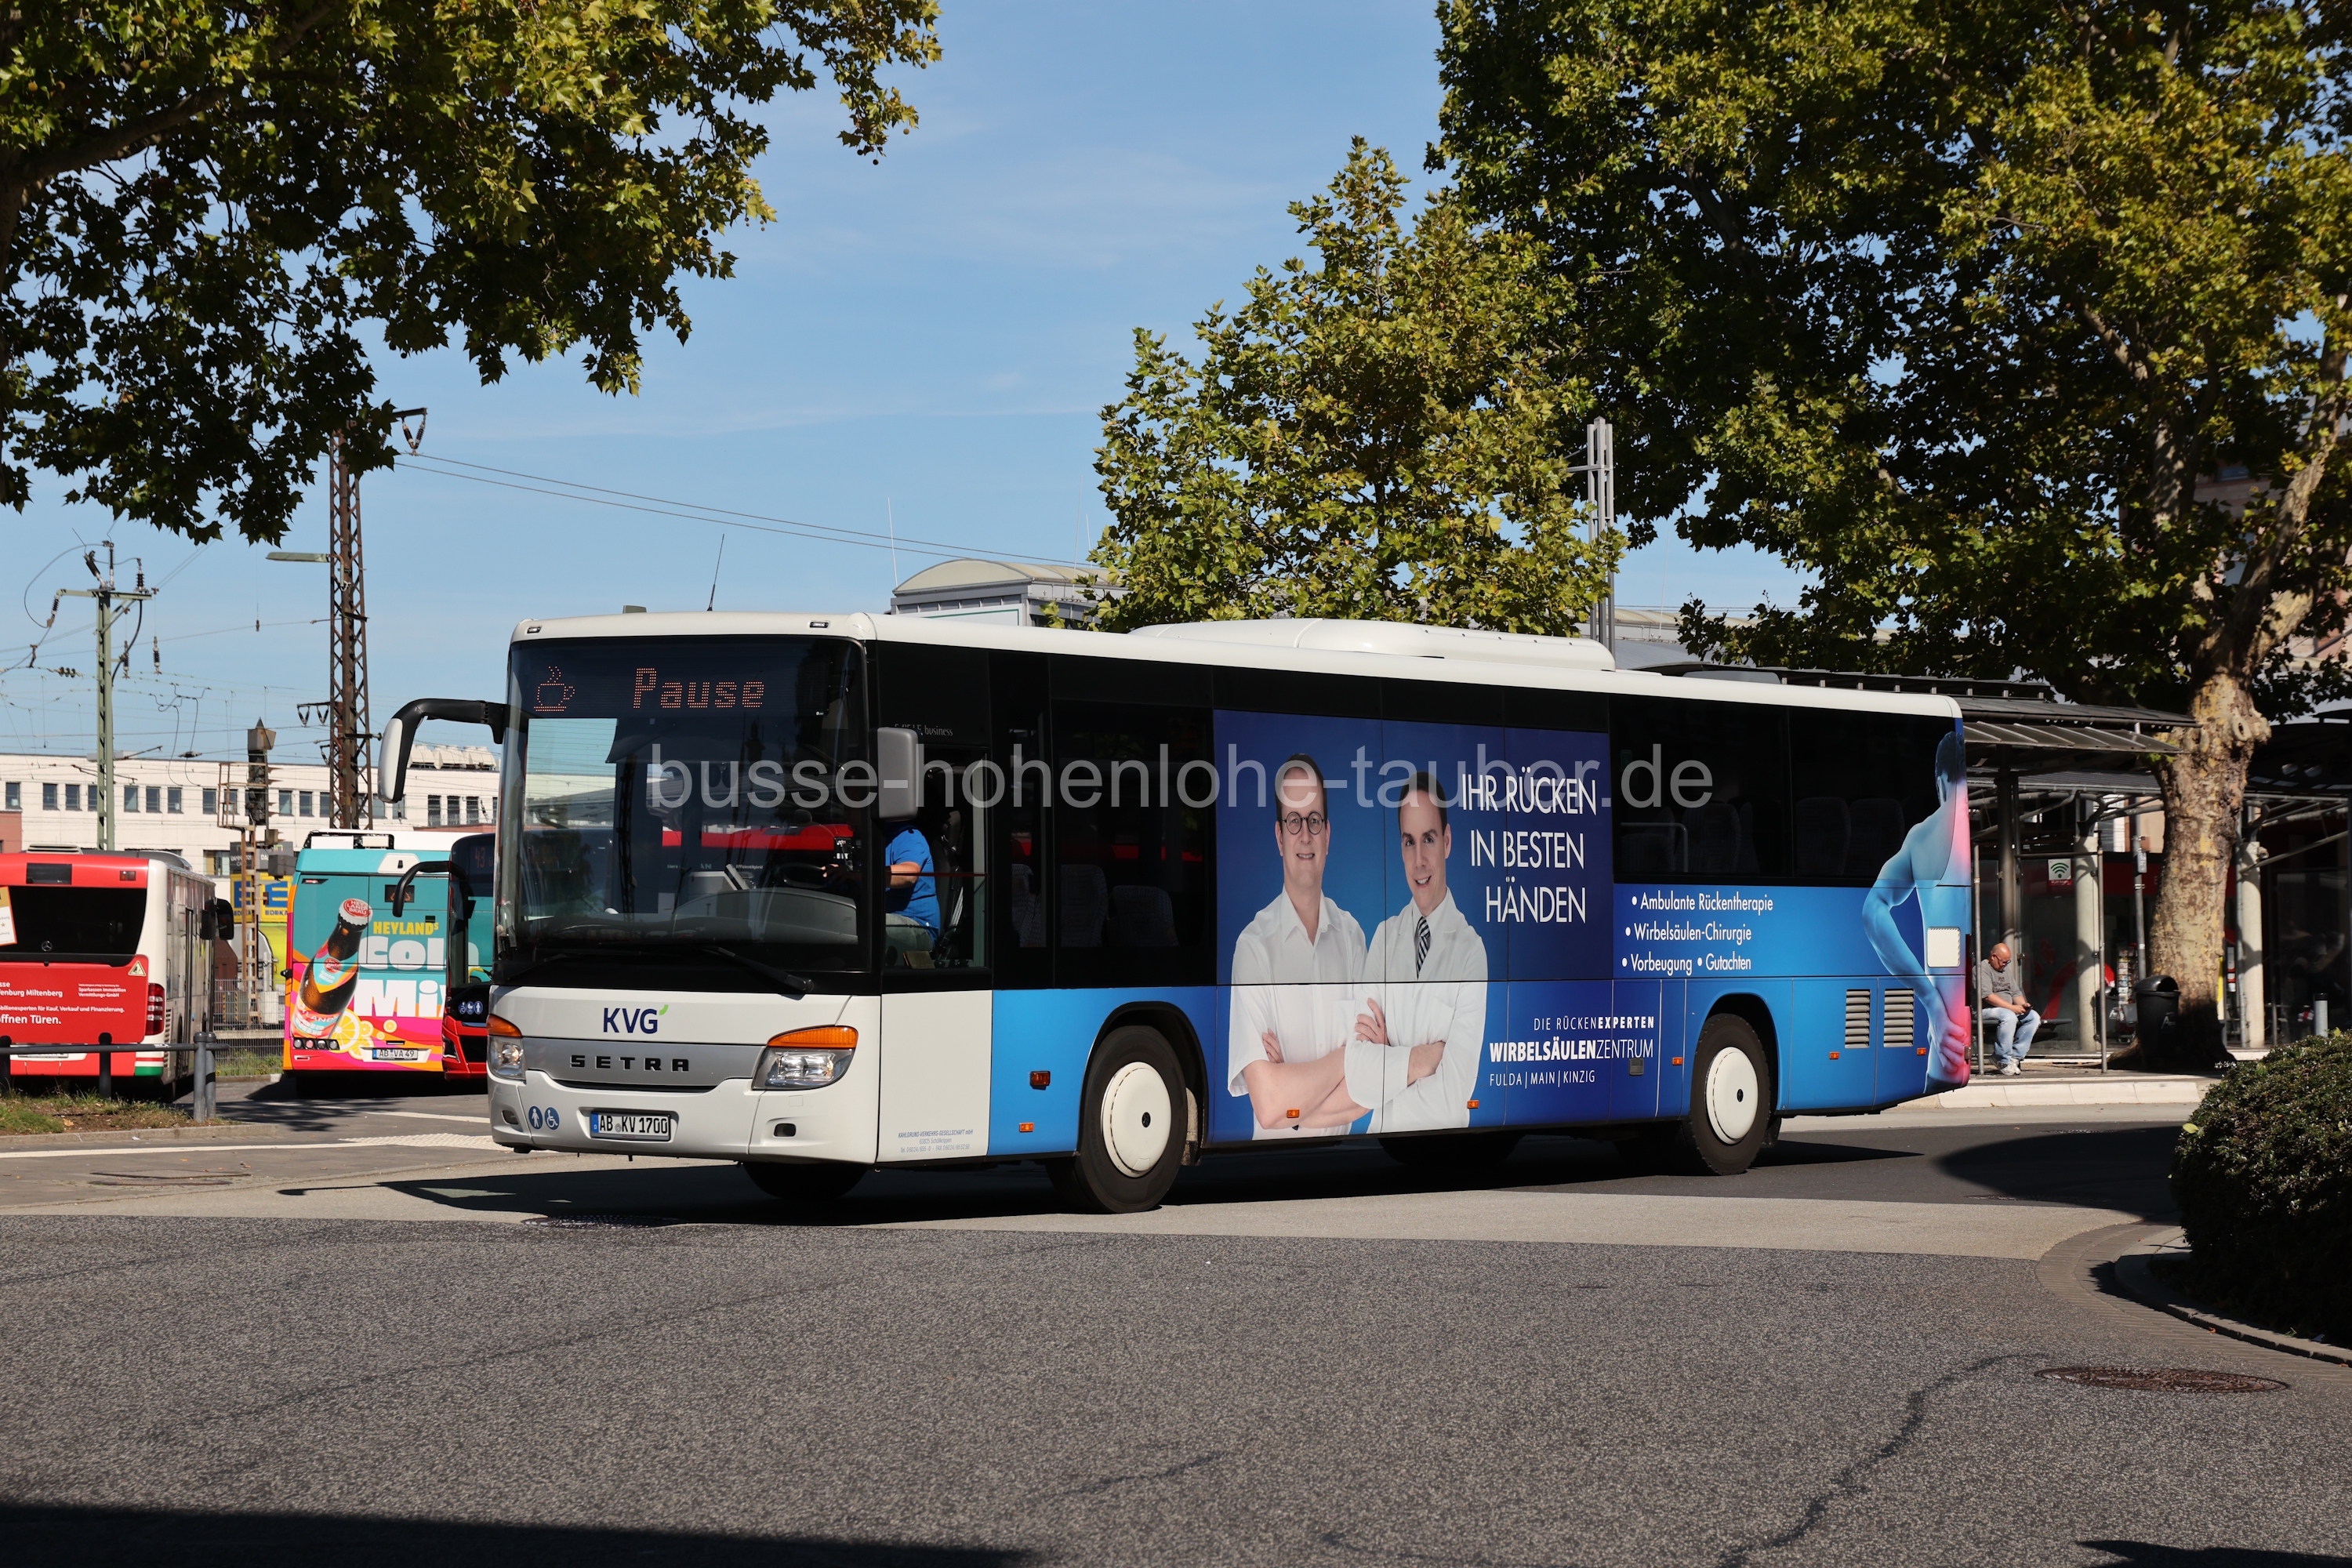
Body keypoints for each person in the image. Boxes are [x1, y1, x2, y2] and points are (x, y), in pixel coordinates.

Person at [1226, 755, 1369, 1138]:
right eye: (1293, 821)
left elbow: (1372, 1086)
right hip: (1277, 1169)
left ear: (1328, 835)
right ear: (1279, 837)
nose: (1305, 835)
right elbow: (1270, 1106)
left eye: (1314, 820)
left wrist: (1290, 1090)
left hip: (1345, 1170)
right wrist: (1348, 1059)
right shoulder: (1253, 949)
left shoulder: (1353, 939)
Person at [1339, 771, 1487, 1133]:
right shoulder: (1384, 938)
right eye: (1409, 842)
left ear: (1447, 842)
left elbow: (1452, 1099)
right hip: (1381, 1153)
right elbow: (1357, 1078)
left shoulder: (1471, 952)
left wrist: (1389, 1056)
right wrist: (1426, 1059)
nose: (1419, 860)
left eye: (1429, 840)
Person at [1864, 730, 1975, 1088]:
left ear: (1940, 780)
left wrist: (1930, 999)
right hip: (1955, 1050)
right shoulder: (1969, 828)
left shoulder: (1923, 835)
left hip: (1945, 1053)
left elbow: (1873, 911)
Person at [1976, 941, 2039, 1075]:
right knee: (2008, 1016)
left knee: (2033, 1017)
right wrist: (2012, 1008)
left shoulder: (2005, 970)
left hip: (2007, 1009)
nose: (2005, 965)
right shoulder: (1981, 969)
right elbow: (1988, 996)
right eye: (2003, 962)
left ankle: (2014, 1057)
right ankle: (2001, 1059)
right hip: (1985, 1011)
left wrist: (2023, 1005)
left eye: (2007, 962)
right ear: (1994, 956)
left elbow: (2015, 993)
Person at [885, 822, 938, 945]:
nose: (847, 816)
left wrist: (859, 874)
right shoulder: (875, 839)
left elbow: (908, 876)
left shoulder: (909, 836)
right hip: (887, 915)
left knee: (861, 923)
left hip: (918, 925)